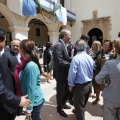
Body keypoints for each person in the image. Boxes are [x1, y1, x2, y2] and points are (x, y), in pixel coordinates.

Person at [0, 28, 30, 120]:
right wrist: (15, 99)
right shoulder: (6, 55)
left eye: (18, 46)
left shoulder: (22, 56)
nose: (16, 47)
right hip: (6, 99)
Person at [68, 40, 94, 120]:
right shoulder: (89, 57)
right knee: (83, 104)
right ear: (85, 47)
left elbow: (72, 73)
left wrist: (70, 84)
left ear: (76, 47)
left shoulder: (76, 58)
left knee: (79, 106)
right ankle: (77, 112)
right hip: (89, 84)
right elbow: (93, 67)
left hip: (80, 86)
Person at [19, 39, 45, 120]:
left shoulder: (31, 66)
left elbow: (31, 88)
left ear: (22, 50)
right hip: (31, 100)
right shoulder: (27, 63)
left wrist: (29, 108)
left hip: (34, 101)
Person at [95, 38, 120, 120]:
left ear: (115, 49)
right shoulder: (99, 53)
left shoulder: (110, 62)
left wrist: (107, 80)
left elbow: (98, 79)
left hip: (111, 97)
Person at [53, 29, 72, 117]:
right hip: (61, 74)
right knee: (60, 92)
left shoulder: (64, 45)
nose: (70, 37)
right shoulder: (58, 46)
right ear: (65, 35)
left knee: (67, 90)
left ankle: (63, 103)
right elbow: (60, 61)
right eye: (70, 35)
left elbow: (66, 58)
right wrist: (72, 65)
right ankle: (59, 108)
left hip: (66, 73)